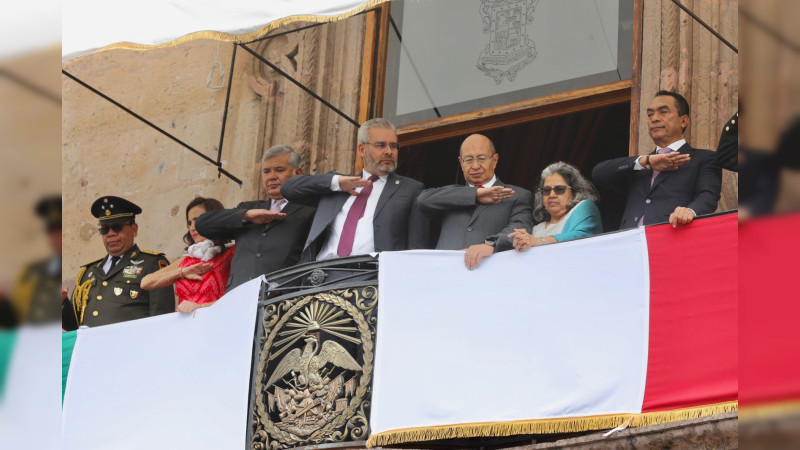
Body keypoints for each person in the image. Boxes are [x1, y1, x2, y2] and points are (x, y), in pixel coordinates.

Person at [280, 118, 429, 262]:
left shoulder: (410, 189)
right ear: (362, 149)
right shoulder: (337, 187)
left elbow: (417, 251)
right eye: (381, 145)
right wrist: (336, 182)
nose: (389, 151)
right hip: (323, 276)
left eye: (394, 146)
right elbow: (288, 189)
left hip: (372, 278)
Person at [591, 90, 722, 229]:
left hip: (673, 237)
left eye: (663, 112)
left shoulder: (704, 158)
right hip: (631, 242)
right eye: (650, 115)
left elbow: (708, 196)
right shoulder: (640, 165)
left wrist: (689, 211)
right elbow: (599, 174)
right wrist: (645, 161)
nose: (654, 119)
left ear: (683, 120)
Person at [195, 145, 315, 290]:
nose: (271, 177)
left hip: (282, 300)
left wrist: (280, 286)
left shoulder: (310, 210)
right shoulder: (248, 208)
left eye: (279, 170)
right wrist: (246, 215)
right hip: (238, 297)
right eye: (266, 171)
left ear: (298, 173)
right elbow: (202, 224)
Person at [416, 134, 533, 270]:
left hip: (490, 275)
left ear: (495, 160)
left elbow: (519, 229)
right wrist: (475, 195)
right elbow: (423, 200)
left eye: (482, 159)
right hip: (445, 273)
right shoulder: (452, 195)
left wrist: (490, 244)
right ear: (461, 163)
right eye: (469, 160)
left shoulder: (517, 195)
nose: (475, 166)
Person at [62, 196, 174, 331]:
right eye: (104, 229)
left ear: (134, 229)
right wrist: (62, 303)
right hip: (91, 350)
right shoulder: (88, 272)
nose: (110, 234)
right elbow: (73, 325)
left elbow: (162, 320)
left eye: (117, 227)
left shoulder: (152, 264)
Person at [141, 197, 234, 312]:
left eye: (198, 220)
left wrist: (200, 307)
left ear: (214, 219)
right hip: (183, 326)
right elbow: (145, 283)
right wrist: (181, 272)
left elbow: (239, 298)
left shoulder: (231, 253)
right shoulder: (187, 260)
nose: (192, 228)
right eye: (189, 223)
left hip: (215, 323)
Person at [507, 162, 602, 251]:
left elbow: (581, 236)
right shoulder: (536, 229)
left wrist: (540, 241)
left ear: (574, 192)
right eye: (546, 190)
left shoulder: (585, 207)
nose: (551, 195)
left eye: (559, 189)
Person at [11, 195, 62, 324]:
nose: (56, 237)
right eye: (52, 231)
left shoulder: (82, 272)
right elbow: (17, 313)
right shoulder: (31, 271)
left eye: (60, 230)